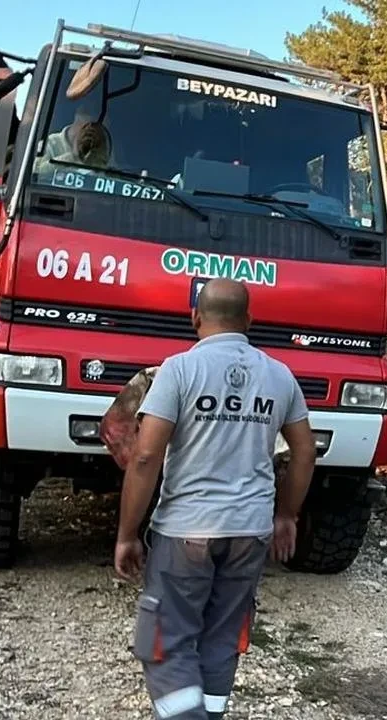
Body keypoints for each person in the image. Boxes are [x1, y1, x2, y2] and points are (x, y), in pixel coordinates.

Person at [114, 278, 316, 720]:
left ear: (195, 318)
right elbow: (304, 451)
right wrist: (286, 515)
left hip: (186, 531)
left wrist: (127, 533)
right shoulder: (279, 375)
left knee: (165, 642)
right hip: (250, 532)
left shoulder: (178, 370)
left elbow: (145, 456)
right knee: (221, 639)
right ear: (249, 320)